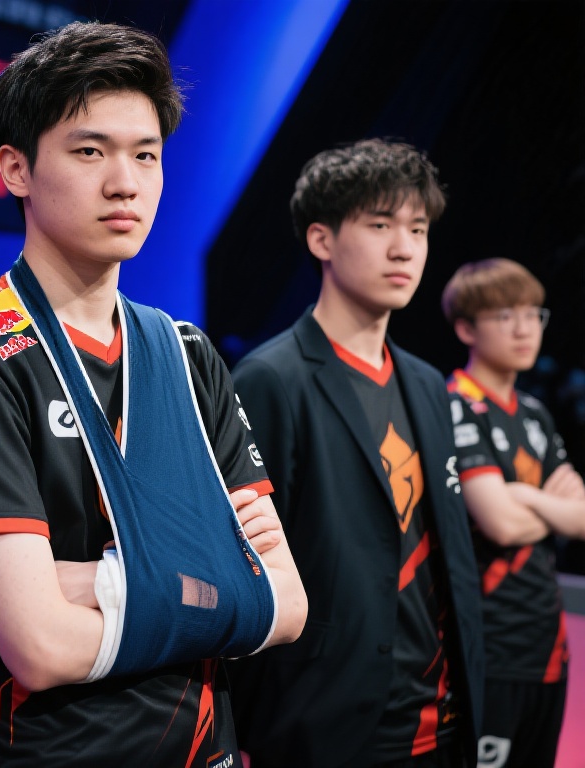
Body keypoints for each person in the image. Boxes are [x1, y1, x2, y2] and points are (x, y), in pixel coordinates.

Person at [0, 21, 307, 767]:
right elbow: (41, 648)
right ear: (16, 169)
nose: (126, 182)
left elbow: (287, 606)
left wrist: (90, 581)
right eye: (90, 151)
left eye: (145, 155)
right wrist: (217, 578)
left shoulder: (187, 353)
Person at [229, 139, 485, 768]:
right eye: (379, 225)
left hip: (446, 717)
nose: (405, 248)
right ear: (321, 239)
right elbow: (246, 565)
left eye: (418, 229)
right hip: (330, 724)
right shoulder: (270, 379)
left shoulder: (427, 382)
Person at [442, 258, 584, 768]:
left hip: (549, 648)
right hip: (490, 647)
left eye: (532, 314)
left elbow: (582, 518)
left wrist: (522, 495)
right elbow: (499, 524)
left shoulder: (535, 413)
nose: (525, 329)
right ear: (466, 329)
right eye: (505, 316)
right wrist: (551, 505)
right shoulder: (454, 404)